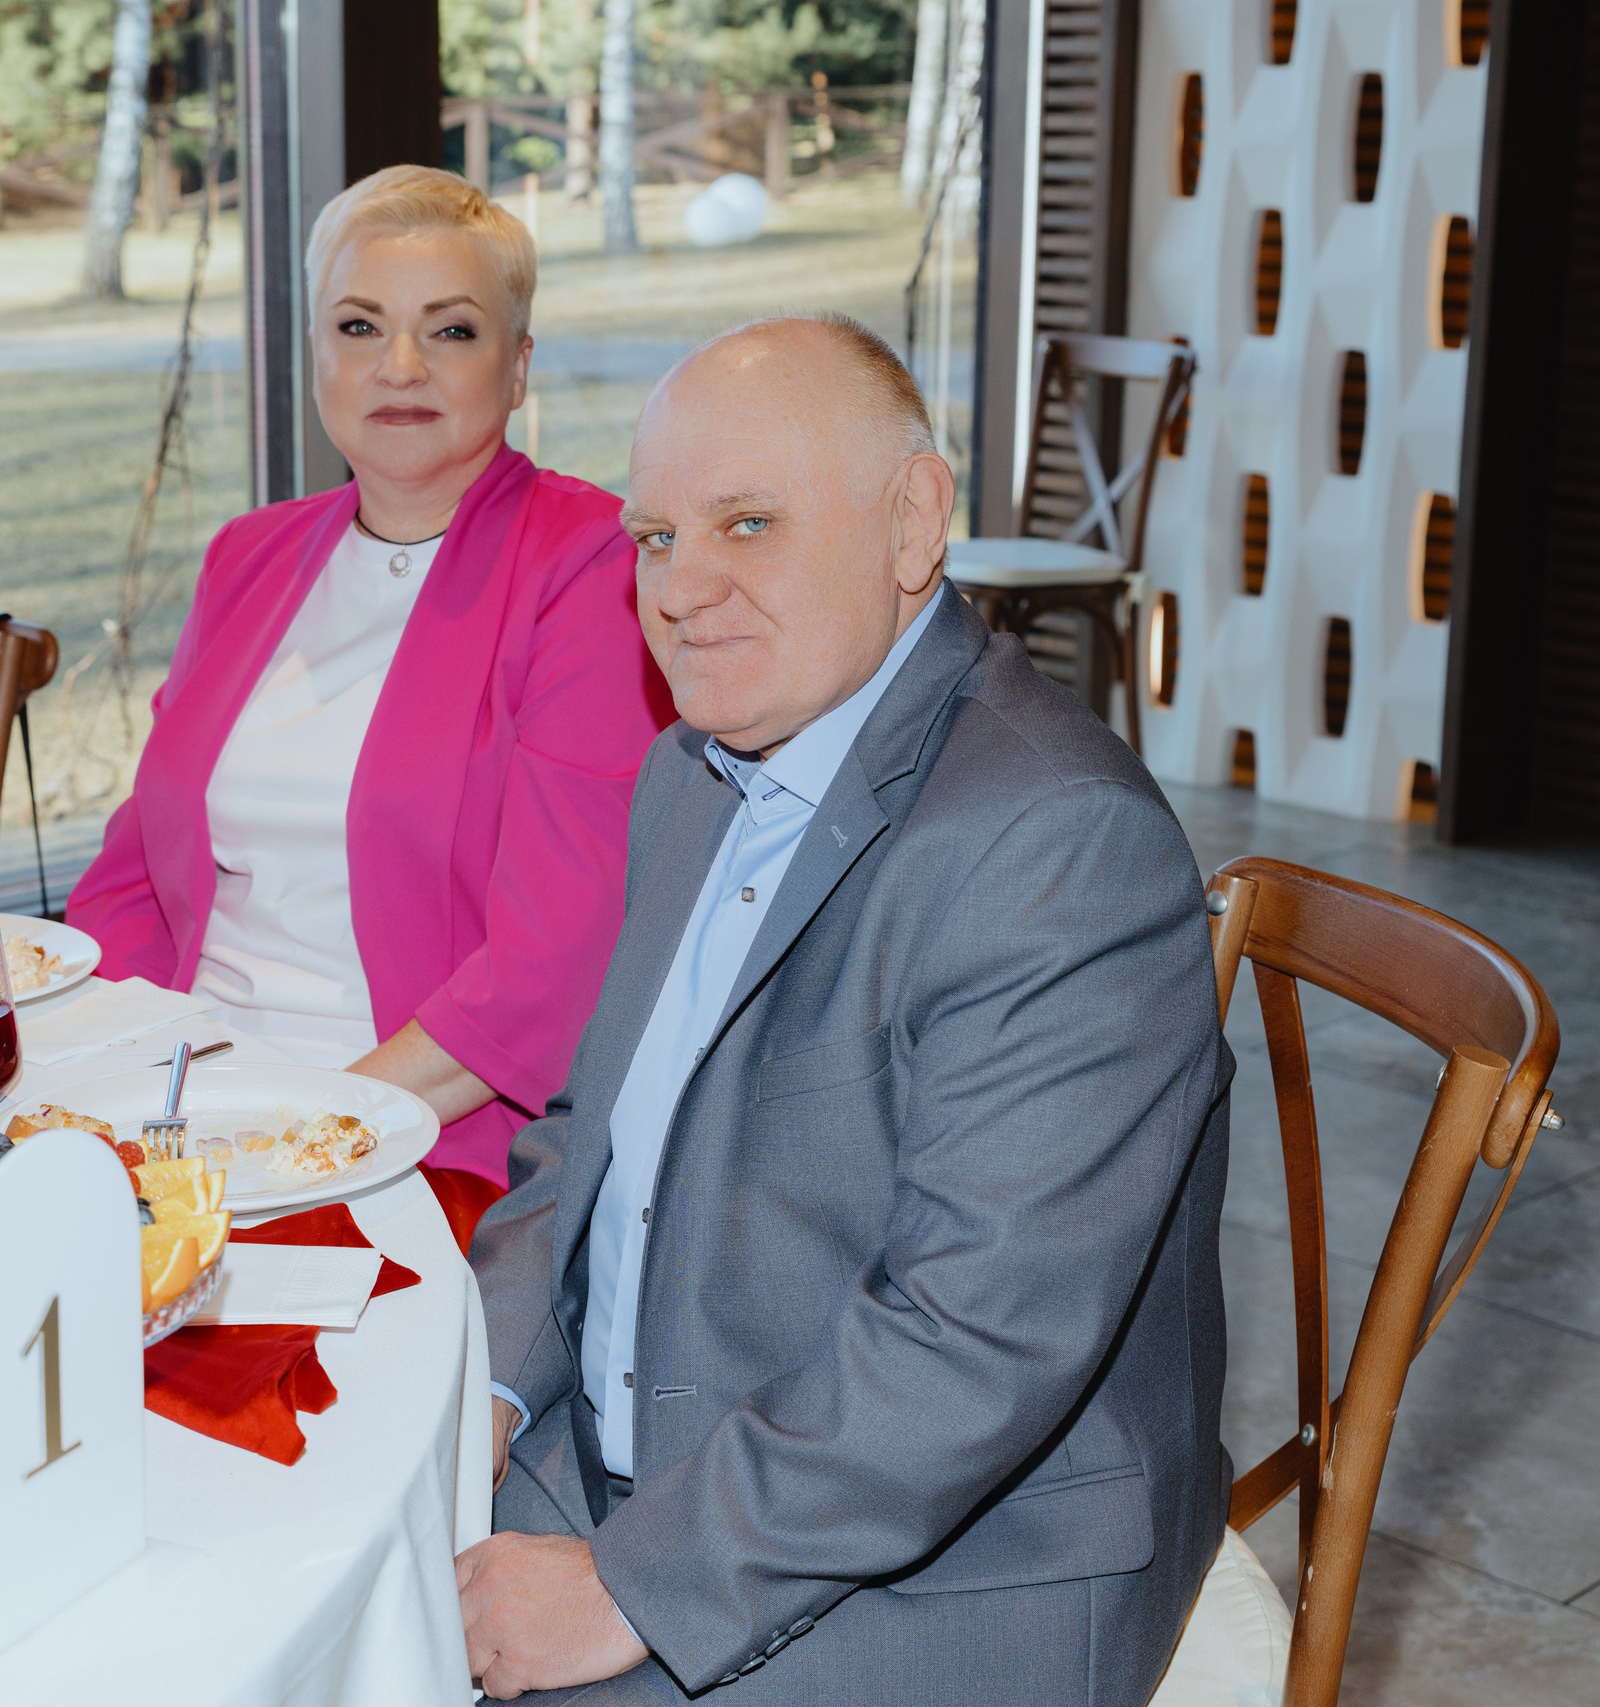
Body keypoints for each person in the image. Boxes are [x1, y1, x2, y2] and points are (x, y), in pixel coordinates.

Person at [457, 316, 1232, 1702]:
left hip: (948, 1567)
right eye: (653, 536)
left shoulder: (1057, 843)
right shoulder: (694, 774)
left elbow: (973, 1339)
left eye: (747, 523)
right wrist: (491, 1388)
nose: (684, 588)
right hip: (662, 1452)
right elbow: (590, 1134)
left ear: (913, 520)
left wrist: (638, 1582)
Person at [64, 166, 669, 1195]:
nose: (399, 366)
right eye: (357, 327)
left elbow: (552, 966)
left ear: (517, 370)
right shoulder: (246, 557)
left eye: (451, 332)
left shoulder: (588, 567)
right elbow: (129, 882)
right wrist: (108, 1086)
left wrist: (301, 1134)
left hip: (420, 1132)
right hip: (188, 1102)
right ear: (315, 358)